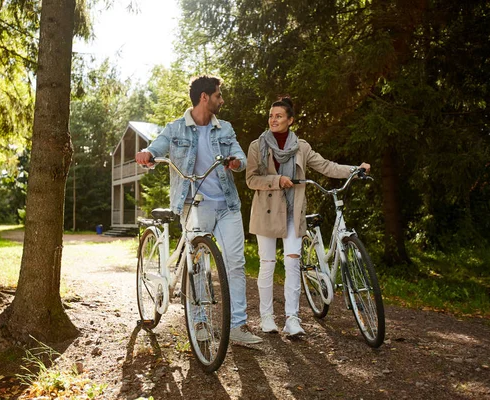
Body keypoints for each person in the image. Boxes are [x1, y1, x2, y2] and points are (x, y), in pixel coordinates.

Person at [135, 75, 263, 344]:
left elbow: (238, 154)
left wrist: (236, 163)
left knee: (236, 264)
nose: (222, 100)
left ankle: (238, 326)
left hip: (226, 205)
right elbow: (157, 146)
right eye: (218, 95)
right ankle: (200, 322)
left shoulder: (225, 128)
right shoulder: (175, 128)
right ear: (204, 97)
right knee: (198, 265)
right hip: (194, 205)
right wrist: (148, 153)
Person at [246, 97, 370, 336]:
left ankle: (292, 319)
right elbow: (251, 179)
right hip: (266, 213)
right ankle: (266, 317)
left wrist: (354, 170)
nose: (273, 119)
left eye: (279, 116)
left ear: (290, 120)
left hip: (293, 211)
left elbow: (326, 166)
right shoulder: (257, 146)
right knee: (267, 265)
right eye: (271, 115)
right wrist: (276, 180)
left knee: (293, 265)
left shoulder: (301, 147)